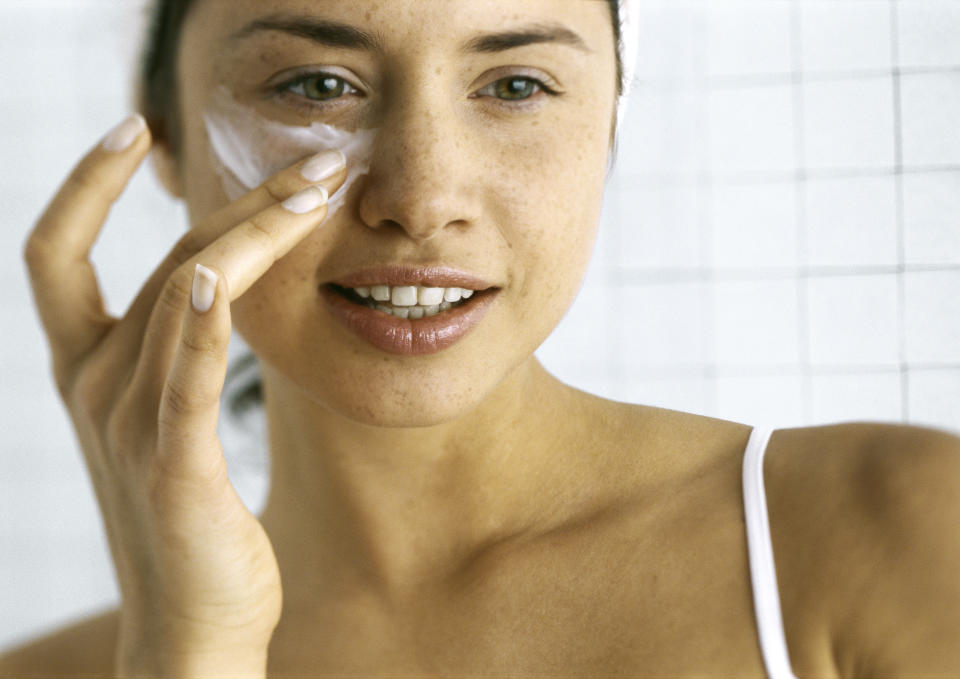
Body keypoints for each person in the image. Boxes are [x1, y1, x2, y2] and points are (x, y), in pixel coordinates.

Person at [4, 1, 960, 677]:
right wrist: (187, 655)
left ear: (612, 116)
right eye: (319, 84)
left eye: (513, 84)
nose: (421, 200)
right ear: (161, 124)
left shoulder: (898, 535)